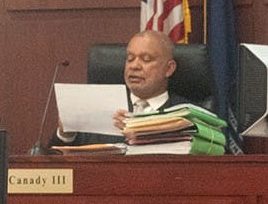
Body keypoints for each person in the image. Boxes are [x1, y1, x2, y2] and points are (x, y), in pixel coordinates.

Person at [55, 29, 188, 145]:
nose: (134, 66)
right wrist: (66, 135)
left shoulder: (186, 115)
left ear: (169, 68)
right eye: (130, 58)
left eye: (146, 59)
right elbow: (55, 162)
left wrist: (143, 139)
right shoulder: (96, 110)